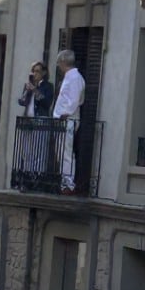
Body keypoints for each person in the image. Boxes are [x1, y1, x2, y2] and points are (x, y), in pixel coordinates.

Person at [52, 49, 84, 192]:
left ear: (64, 62)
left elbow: (73, 101)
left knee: (66, 152)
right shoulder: (69, 77)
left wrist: (63, 115)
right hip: (63, 120)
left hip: (67, 120)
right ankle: (65, 180)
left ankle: (68, 183)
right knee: (62, 151)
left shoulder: (75, 78)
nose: (58, 66)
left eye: (59, 62)